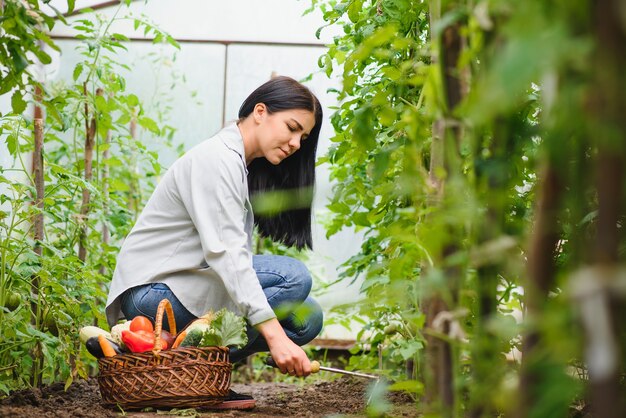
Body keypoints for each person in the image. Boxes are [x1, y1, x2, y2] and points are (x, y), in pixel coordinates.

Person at [105, 76, 324, 408]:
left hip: (184, 287)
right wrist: (275, 339)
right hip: (153, 294)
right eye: (292, 128)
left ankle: (200, 378)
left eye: (303, 137)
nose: (296, 143)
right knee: (293, 278)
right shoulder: (217, 159)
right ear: (260, 112)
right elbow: (226, 256)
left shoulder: (242, 164)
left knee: (308, 317)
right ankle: (189, 378)